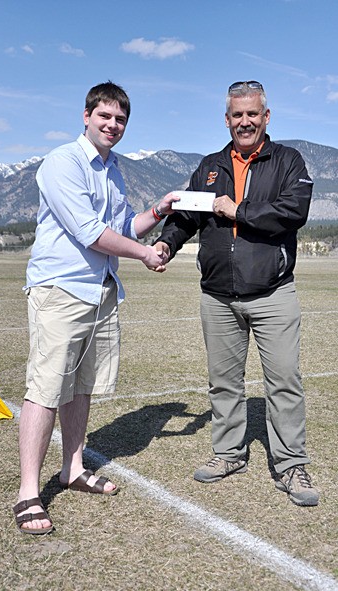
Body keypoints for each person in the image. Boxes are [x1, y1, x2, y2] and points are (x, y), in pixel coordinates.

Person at [13, 81, 178, 535]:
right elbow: (89, 231)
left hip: (101, 289)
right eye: (105, 116)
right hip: (62, 290)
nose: (113, 125)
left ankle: (72, 467)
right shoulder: (62, 162)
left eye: (121, 119)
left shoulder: (113, 168)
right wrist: (144, 254)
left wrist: (159, 211)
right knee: (46, 388)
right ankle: (28, 491)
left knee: (81, 387)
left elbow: (124, 225)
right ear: (86, 116)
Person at [153, 80, 319, 506]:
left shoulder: (288, 161)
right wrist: (166, 243)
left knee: (283, 381)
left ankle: (291, 464)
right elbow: (188, 216)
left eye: (252, 114)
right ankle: (229, 453)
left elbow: (292, 212)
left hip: (272, 293)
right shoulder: (209, 166)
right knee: (224, 383)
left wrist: (237, 210)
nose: (244, 121)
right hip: (218, 296)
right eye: (236, 115)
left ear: (266, 117)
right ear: (226, 119)